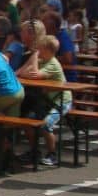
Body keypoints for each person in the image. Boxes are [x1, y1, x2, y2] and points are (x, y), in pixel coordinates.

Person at [18, 35, 71, 166]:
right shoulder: (42, 61)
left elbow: (35, 75)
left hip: (61, 101)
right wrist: (33, 59)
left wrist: (34, 56)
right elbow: (22, 72)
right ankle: (34, 150)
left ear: (47, 49)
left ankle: (52, 154)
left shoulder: (53, 64)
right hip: (47, 100)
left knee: (46, 124)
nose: (37, 50)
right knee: (27, 121)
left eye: (40, 48)